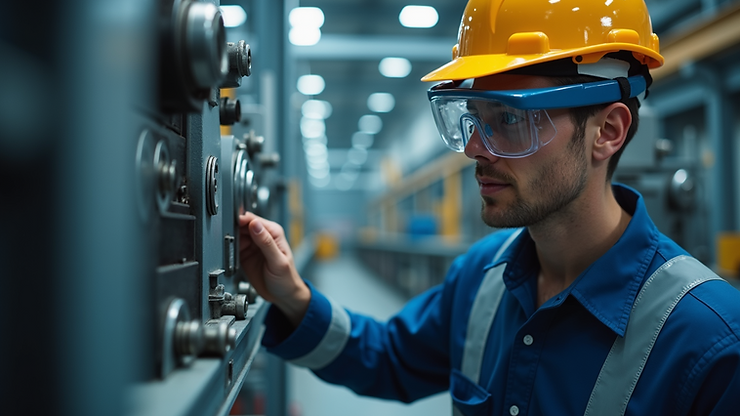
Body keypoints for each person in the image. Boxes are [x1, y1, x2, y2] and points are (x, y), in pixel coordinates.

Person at [239, 0, 740, 414]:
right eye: (474, 118)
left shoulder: (710, 341)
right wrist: (296, 299)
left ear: (607, 132)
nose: (476, 147)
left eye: (509, 119)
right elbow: (388, 357)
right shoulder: (481, 276)